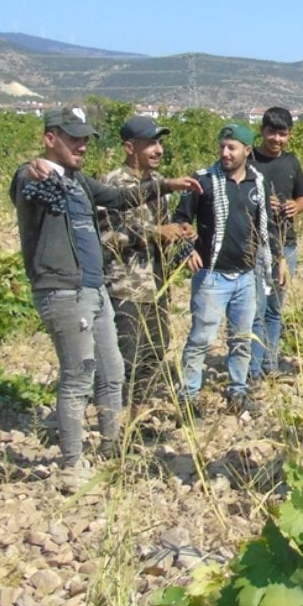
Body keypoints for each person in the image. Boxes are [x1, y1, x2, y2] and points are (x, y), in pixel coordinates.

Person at [10, 107, 200, 491]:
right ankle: (71, 464)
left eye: (84, 138)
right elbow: (25, 182)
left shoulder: (81, 182)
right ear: (50, 139)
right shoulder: (36, 176)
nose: (82, 145)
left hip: (93, 287)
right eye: (73, 138)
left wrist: (168, 186)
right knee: (78, 376)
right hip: (64, 288)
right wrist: (32, 168)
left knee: (112, 369)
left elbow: (118, 197)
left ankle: (114, 446)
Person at [174, 123, 284, 415]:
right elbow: (180, 220)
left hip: (246, 275)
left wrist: (278, 258)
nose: (225, 153)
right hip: (212, 275)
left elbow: (268, 227)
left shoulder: (258, 184)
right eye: (222, 146)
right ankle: (188, 397)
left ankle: (238, 391)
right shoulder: (203, 181)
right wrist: (187, 250)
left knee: (241, 339)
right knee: (201, 339)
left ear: (247, 150)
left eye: (232, 147)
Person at [98, 116, 197, 415]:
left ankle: (138, 414)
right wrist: (155, 233)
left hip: (156, 282)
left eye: (160, 143)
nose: (159, 150)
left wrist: (178, 232)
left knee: (157, 347)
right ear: (130, 147)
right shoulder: (112, 184)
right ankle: (115, 420)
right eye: (151, 143)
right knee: (128, 351)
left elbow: (161, 228)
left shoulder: (157, 184)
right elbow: (107, 235)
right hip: (126, 284)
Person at [249, 107, 303, 384]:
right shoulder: (247, 160)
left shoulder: (291, 162)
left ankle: (270, 364)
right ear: (262, 131)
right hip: (254, 245)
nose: (276, 139)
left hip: (286, 245)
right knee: (255, 309)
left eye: (282, 134)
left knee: (275, 307)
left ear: (290, 135)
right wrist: (258, 202)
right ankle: (252, 369)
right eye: (272, 132)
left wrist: (294, 207)